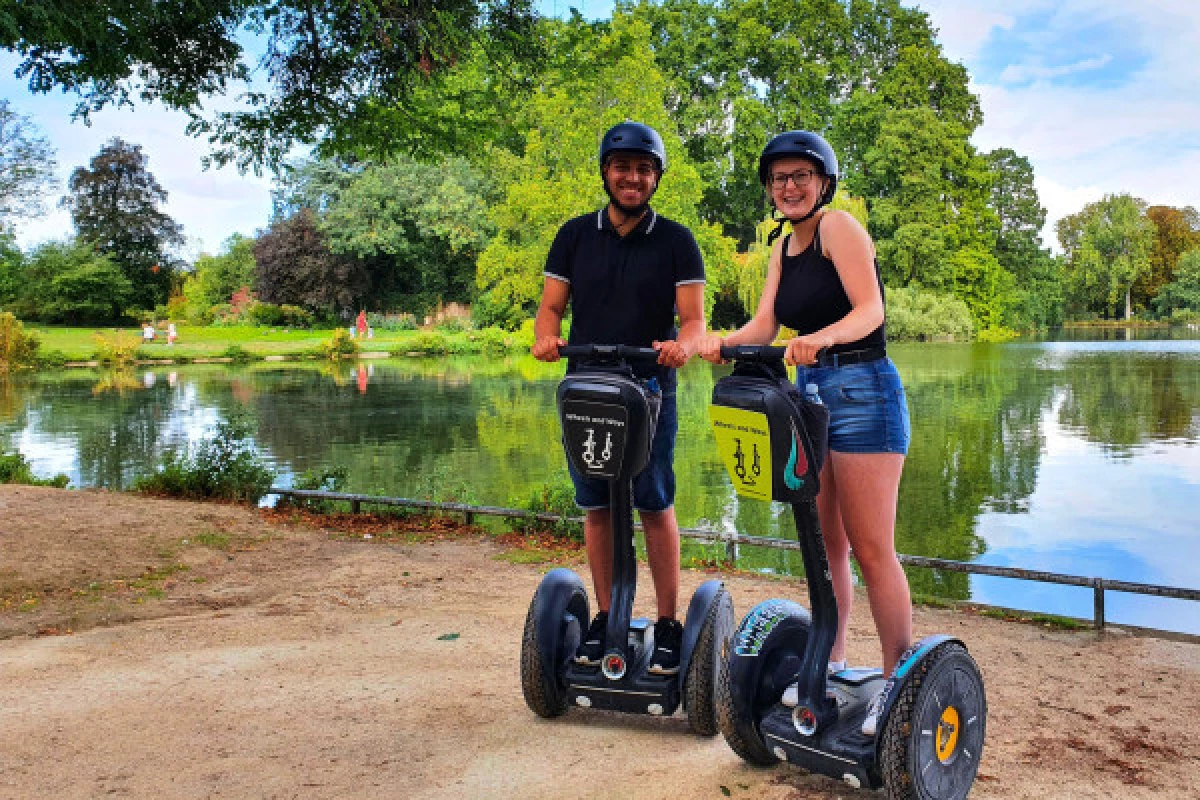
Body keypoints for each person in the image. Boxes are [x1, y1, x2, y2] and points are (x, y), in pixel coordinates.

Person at [698, 130, 912, 736]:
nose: (788, 188)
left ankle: (899, 679)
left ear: (822, 181)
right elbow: (766, 323)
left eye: (800, 176)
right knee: (828, 545)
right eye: (778, 179)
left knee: (872, 547)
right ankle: (834, 659)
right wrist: (722, 344)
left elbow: (871, 310)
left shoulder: (838, 228)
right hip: (810, 397)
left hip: (865, 391)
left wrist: (824, 337)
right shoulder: (779, 248)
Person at [532, 121, 706, 676]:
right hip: (586, 386)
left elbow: (694, 321)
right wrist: (544, 337)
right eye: (623, 167)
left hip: (648, 386)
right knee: (597, 505)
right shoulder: (575, 235)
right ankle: (608, 618)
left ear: (656, 178)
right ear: (606, 172)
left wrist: (681, 348)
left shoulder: (677, 240)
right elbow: (552, 308)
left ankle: (670, 624)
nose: (633, 178)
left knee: (653, 500)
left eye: (644, 169)